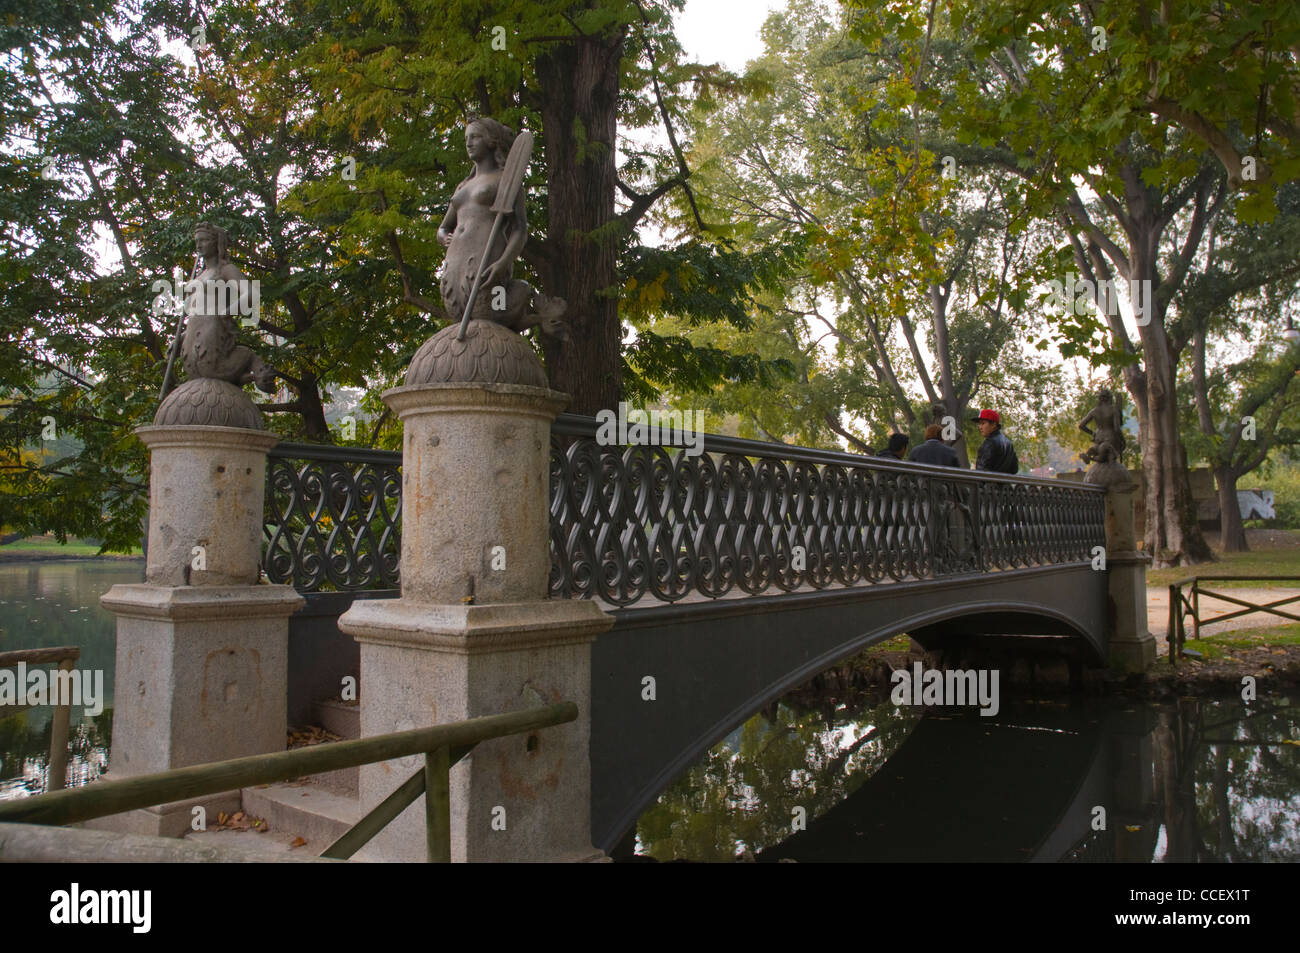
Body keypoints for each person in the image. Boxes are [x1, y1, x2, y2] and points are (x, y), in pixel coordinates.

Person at [972, 409, 1018, 474]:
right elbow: (1014, 469)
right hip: (1005, 483)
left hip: (988, 483)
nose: (980, 427)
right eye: (979, 424)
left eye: (983, 423)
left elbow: (981, 470)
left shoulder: (989, 443)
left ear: (993, 424)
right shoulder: (1009, 443)